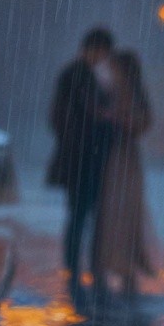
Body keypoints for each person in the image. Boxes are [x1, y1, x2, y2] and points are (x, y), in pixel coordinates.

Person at [46, 26, 115, 310]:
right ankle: (76, 269)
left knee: (85, 215)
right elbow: (62, 116)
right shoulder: (78, 75)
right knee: (79, 215)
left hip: (87, 158)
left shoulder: (87, 76)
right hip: (82, 159)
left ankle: (82, 268)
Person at [91, 47, 155, 303]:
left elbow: (142, 123)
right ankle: (110, 265)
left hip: (124, 159)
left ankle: (125, 265)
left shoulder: (131, 94)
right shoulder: (110, 91)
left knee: (125, 213)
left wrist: (119, 120)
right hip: (114, 158)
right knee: (111, 214)